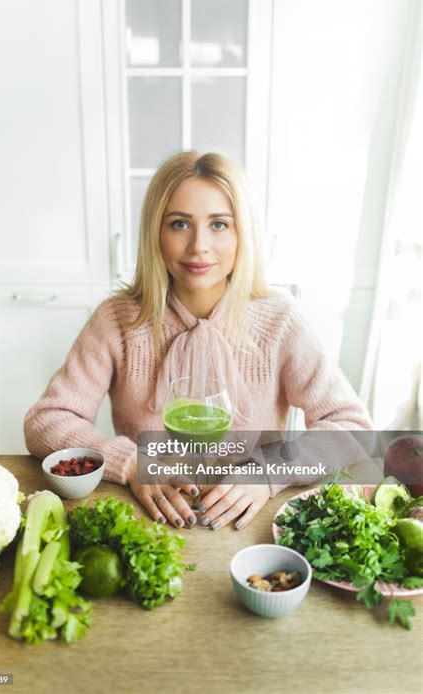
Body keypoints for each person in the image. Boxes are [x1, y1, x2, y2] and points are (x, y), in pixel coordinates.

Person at [24, 151, 373, 531]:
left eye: (220, 224)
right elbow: (46, 421)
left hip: (252, 525)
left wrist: (267, 471)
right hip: (147, 518)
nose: (199, 246)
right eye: (179, 224)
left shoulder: (279, 319)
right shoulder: (117, 319)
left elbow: (352, 428)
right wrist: (131, 462)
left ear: (244, 234)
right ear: (155, 233)